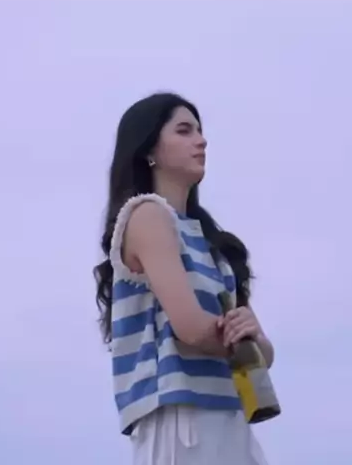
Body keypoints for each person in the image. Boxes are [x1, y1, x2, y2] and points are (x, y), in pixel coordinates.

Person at [93, 92, 274, 464]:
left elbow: (263, 355)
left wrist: (251, 332)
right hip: (180, 418)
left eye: (200, 130)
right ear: (149, 149)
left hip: (230, 415)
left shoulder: (213, 243)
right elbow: (191, 329)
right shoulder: (147, 215)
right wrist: (241, 339)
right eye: (184, 130)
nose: (201, 140)